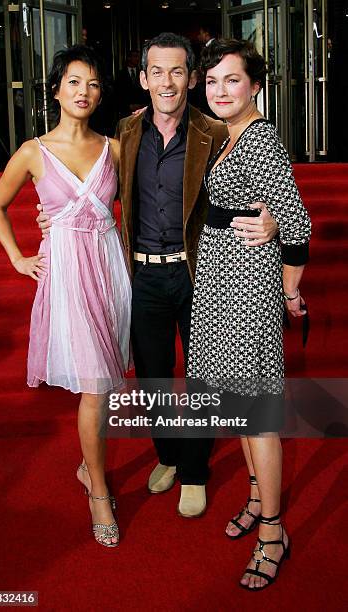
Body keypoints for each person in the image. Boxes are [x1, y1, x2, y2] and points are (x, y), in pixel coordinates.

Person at [37, 32, 278, 519]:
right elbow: (92, 190)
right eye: (156, 72)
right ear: (143, 78)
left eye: (177, 72)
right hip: (141, 275)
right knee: (153, 377)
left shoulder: (216, 132)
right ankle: (168, 456)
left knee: (203, 380)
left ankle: (194, 471)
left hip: (202, 273)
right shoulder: (123, 134)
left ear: (191, 78)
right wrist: (50, 218)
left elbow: (258, 179)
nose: (167, 82)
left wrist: (271, 216)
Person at [0, 45, 132, 548]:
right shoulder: (33, 151)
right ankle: (98, 490)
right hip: (68, 274)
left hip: (110, 270)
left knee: (107, 382)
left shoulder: (115, 148)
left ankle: (88, 463)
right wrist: (18, 258)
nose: (84, 92)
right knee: (95, 382)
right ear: (56, 89)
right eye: (74, 82)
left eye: (93, 84)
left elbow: (143, 205)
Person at [187, 39, 311, 589]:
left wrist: (287, 289)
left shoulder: (260, 140)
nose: (220, 91)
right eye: (212, 82)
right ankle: (259, 496)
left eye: (231, 80)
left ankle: (273, 532)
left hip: (246, 293)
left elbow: (298, 223)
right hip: (218, 287)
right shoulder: (225, 135)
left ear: (255, 85)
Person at [114, 49, 149, 118]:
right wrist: (128, 106)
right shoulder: (121, 74)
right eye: (135, 56)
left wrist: (142, 106)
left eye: (138, 57)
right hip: (125, 112)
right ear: (129, 58)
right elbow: (117, 94)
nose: (137, 59)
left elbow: (146, 92)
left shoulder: (142, 73)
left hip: (141, 111)